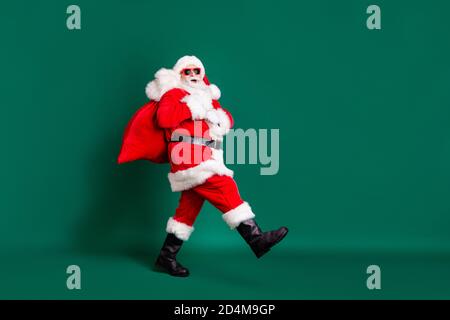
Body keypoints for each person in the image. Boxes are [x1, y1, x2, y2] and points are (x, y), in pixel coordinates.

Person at [145, 56, 289, 277]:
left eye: (196, 71)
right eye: (187, 71)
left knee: (187, 210)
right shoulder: (174, 94)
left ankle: (166, 256)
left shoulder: (204, 94)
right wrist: (191, 109)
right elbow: (163, 119)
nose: (193, 75)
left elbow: (223, 115)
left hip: (206, 152)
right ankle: (256, 238)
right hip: (188, 156)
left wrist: (222, 117)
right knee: (224, 185)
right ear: (179, 74)